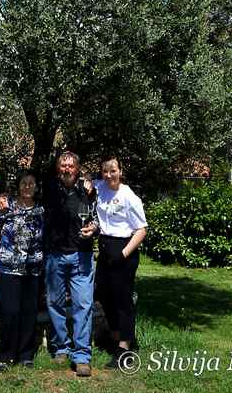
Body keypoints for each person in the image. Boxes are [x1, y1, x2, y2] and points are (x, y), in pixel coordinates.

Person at [42, 151, 98, 377]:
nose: (66, 169)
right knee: (54, 303)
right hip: (55, 255)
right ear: (58, 169)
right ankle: (61, 347)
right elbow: (23, 191)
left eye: (71, 165)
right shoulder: (48, 189)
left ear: (78, 168)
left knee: (83, 305)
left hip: (81, 255)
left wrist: (94, 227)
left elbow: (99, 216)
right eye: (63, 165)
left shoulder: (88, 190)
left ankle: (82, 355)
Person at [93, 155, 147, 369]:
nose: (109, 175)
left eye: (113, 171)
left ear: (121, 171)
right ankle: (115, 338)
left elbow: (141, 230)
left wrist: (123, 253)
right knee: (104, 296)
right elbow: (85, 182)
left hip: (124, 250)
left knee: (123, 301)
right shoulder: (100, 188)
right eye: (105, 171)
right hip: (105, 248)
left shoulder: (129, 196)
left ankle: (125, 349)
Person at [0, 172, 44, 371]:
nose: (28, 187)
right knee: (10, 311)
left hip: (33, 268)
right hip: (7, 267)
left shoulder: (41, 209)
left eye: (31, 183)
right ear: (18, 186)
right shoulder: (6, 206)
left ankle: (26, 355)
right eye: (24, 183)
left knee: (29, 313)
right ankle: (5, 355)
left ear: (36, 187)